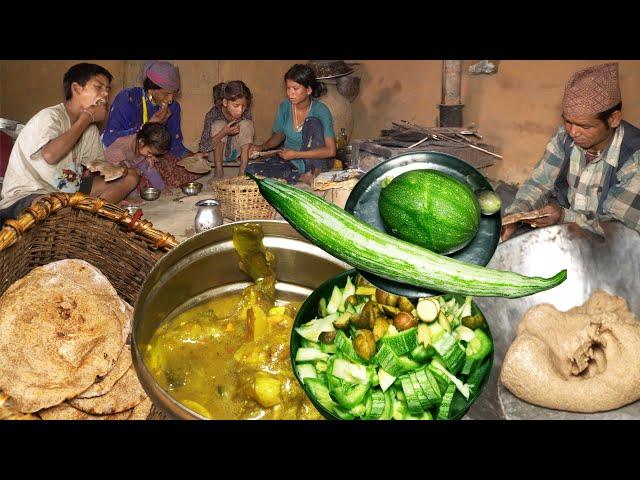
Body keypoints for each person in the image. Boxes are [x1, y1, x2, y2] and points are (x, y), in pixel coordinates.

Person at [502, 63, 640, 241]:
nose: (573, 132)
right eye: (568, 121)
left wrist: (563, 216)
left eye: (585, 126)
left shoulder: (634, 158)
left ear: (613, 119)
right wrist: (515, 215)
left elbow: (618, 228)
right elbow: (539, 184)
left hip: (616, 247)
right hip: (570, 236)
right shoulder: (564, 138)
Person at [0, 63, 139, 224]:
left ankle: (89, 220)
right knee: (51, 205)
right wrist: (86, 117)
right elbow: (50, 155)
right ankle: (83, 217)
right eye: (98, 87)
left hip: (66, 187)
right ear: (76, 88)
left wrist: (115, 171)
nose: (105, 94)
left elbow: (95, 166)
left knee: (131, 176)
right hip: (30, 193)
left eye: (107, 89)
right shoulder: (50, 117)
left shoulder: (90, 129)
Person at [102, 60, 205, 190]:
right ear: (151, 89)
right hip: (124, 157)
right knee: (135, 172)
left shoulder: (174, 107)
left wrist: (192, 157)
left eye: (173, 93)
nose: (170, 99)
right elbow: (109, 139)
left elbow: (174, 146)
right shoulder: (128, 98)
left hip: (153, 156)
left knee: (184, 168)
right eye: (166, 93)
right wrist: (148, 125)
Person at [247, 64, 336, 184]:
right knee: (251, 169)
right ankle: (300, 177)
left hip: (313, 161)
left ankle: (310, 173)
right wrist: (261, 147)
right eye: (288, 88)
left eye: (295, 88)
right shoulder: (285, 106)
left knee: (312, 122)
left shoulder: (321, 110)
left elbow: (331, 151)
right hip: (290, 160)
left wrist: (296, 154)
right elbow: (279, 135)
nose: (290, 93)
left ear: (308, 90)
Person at [198, 81, 254, 179]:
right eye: (236, 106)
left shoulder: (246, 112)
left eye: (243, 106)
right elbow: (203, 147)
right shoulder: (213, 114)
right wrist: (223, 132)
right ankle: (218, 172)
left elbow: (247, 139)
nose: (240, 111)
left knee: (247, 124)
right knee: (218, 124)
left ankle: (242, 173)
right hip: (216, 156)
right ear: (225, 102)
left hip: (236, 154)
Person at [104, 122, 171, 198]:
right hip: (112, 166)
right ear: (141, 142)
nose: (151, 156)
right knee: (129, 178)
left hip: (133, 160)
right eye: (149, 152)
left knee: (149, 166)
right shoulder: (121, 149)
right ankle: (127, 197)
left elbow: (145, 161)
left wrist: (149, 159)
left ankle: (161, 188)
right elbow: (119, 170)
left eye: (154, 154)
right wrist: (132, 169)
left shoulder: (141, 145)